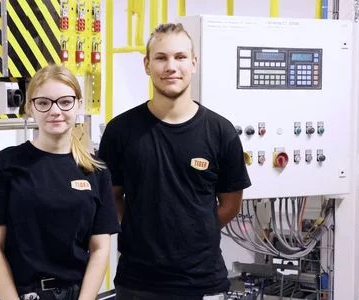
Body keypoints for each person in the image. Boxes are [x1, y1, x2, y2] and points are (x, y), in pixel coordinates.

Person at [98, 23, 252, 300]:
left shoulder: (221, 132)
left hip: (203, 281)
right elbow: (112, 197)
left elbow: (230, 204)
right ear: (147, 64)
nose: (171, 66)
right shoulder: (120, 131)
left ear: (194, 63)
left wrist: (194, 227)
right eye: (161, 57)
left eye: (180, 57)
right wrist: (142, 227)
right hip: (137, 283)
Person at [0, 64, 120, 300]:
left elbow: (100, 249)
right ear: (30, 107)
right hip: (20, 294)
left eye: (65, 101)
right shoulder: (5, 165)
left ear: (79, 104)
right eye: (43, 103)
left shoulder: (95, 170)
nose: (55, 111)